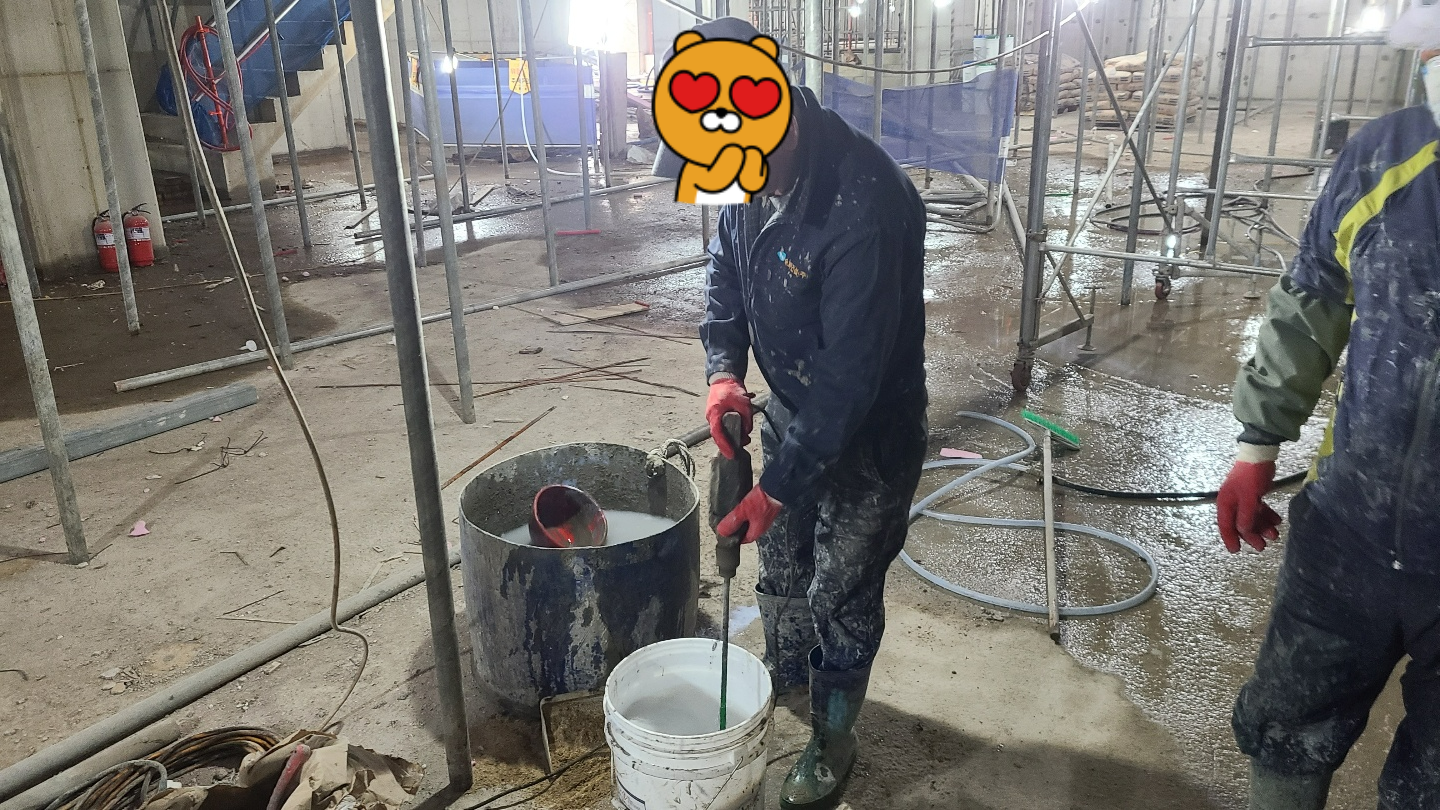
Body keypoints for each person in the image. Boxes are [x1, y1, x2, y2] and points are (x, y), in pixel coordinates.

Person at [654, 17, 929, 810]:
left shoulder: (865, 205)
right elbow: (726, 273)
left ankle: (833, 734)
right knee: (781, 564)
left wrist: (775, 490)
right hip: (793, 409)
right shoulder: (748, 169)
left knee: (841, 590)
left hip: (868, 431)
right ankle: (786, 675)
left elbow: (849, 381)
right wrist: (723, 373)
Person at [1217, 15, 1440, 810]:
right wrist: (1256, 445)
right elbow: (1312, 297)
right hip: (1349, 528)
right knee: (1286, 726)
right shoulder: (1389, 155)